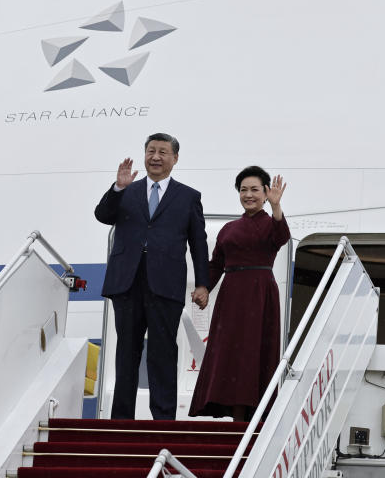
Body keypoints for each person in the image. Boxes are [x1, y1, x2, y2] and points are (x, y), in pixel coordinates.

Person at [94, 132, 210, 420]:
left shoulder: (188, 196)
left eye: (162, 152)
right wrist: (118, 189)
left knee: (162, 353)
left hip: (166, 285)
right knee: (126, 352)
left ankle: (163, 420)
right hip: (127, 282)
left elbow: (198, 243)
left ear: (175, 159)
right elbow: (103, 215)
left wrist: (203, 283)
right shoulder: (127, 190)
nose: (155, 157)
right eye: (150, 151)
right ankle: (121, 419)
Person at [189, 166, 290, 421]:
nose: (248, 195)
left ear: (266, 193)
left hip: (260, 295)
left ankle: (250, 412)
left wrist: (277, 208)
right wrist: (204, 288)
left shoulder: (271, 223)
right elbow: (215, 265)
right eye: (243, 190)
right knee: (228, 353)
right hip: (231, 296)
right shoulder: (228, 229)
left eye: (255, 190)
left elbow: (282, 237)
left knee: (254, 352)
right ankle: (227, 407)